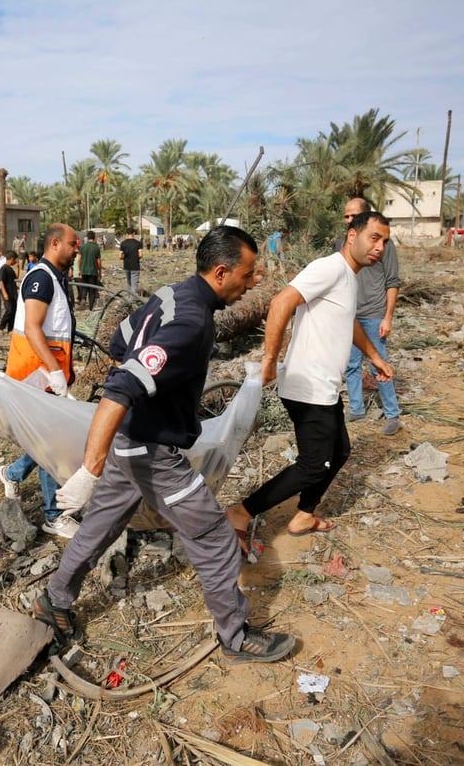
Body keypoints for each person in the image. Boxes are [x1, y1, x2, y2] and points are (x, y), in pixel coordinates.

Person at [34, 225, 295, 663]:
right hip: (150, 450)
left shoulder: (171, 295)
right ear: (220, 272)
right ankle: (235, 636)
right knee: (212, 533)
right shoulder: (191, 324)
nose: (251, 285)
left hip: (129, 441)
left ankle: (54, 599)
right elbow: (119, 387)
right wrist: (90, 470)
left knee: (100, 525)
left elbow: (121, 342)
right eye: (247, 275)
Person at [226, 211, 393, 547]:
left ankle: (304, 514)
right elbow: (281, 301)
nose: (380, 247)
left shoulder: (349, 276)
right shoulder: (330, 267)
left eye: (385, 242)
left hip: (325, 386)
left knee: (340, 450)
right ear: (352, 236)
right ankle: (241, 512)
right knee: (314, 465)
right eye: (374, 238)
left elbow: (350, 323)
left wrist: (375, 357)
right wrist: (270, 357)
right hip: (307, 386)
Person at [0, 224, 81, 539]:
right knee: (52, 444)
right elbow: (33, 329)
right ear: (56, 243)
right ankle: (53, 515)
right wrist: (54, 371)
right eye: (73, 244)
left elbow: (52, 329)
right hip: (36, 376)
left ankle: (13, 473)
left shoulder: (55, 279)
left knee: (47, 440)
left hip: (46, 376)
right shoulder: (41, 279)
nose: (77, 250)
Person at [341, 199, 402, 436]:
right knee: (352, 365)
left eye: (353, 216)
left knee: (380, 366)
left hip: (374, 314)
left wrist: (387, 317)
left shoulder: (384, 246)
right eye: (345, 216)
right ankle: (356, 408)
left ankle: (392, 414)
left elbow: (392, 282)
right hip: (350, 316)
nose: (348, 221)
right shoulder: (343, 244)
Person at [77, 232, 102, 310]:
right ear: (94, 238)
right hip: (93, 271)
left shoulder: (83, 247)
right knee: (92, 290)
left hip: (84, 270)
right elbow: (98, 261)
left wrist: (80, 270)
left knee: (84, 287)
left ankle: (83, 299)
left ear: (87, 238)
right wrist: (99, 271)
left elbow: (79, 260)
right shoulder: (96, 248)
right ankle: (91, 306)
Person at [0, 250, 19, 331]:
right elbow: (1, 282)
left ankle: (10, 329)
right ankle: (1, 327)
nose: (16, 261)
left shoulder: (10, 269)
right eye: (15, 260)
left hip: (13, 293)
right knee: (9, 310)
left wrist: (18, 268)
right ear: (12, 259)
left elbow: (16, 277)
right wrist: (4, 293)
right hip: (6, 292)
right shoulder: (3, 268)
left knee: (14, 311)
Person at [119, 229, 143, 296]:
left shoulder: (123, 243)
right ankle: (131, 301)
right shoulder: (138, 243)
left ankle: (129, 298)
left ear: (126, 234)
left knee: (129, 284)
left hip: (126, 266)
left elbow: (120, 256)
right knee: (134, 285)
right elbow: (141, 255)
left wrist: (125, 257)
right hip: (135, 266)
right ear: (134, 233)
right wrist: (136, 257)